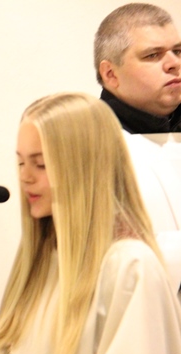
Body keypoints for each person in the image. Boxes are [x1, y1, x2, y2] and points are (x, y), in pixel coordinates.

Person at [0, 93, 181, 354]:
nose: (25, 177)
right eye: (21, 163)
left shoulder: (130, 268)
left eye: (41, 164)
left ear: (84, 167)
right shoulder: (41, 263)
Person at [94, 2, 181, 294]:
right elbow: (105, 256)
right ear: (110, 74)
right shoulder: (89, 146)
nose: (173, 63)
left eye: (178, 51)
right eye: (153, 55)